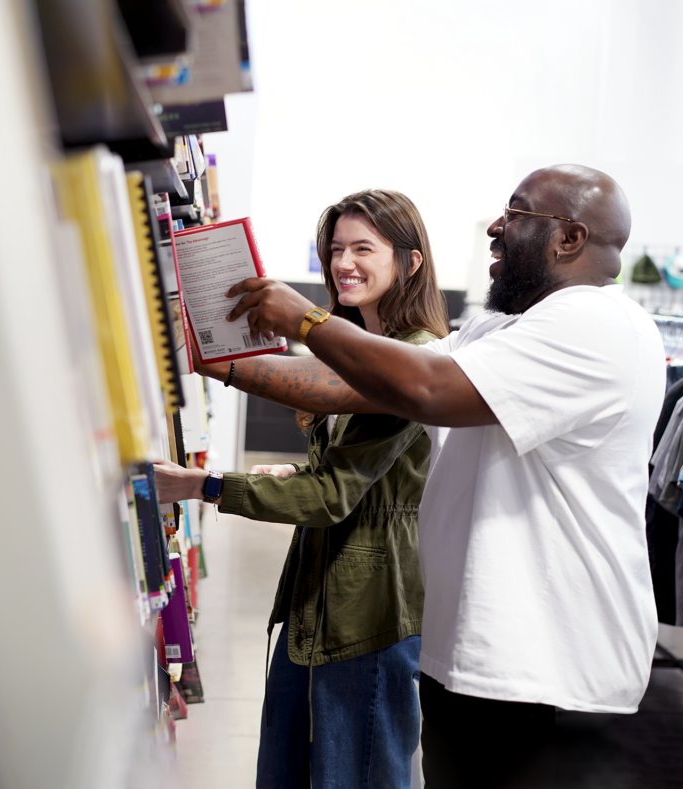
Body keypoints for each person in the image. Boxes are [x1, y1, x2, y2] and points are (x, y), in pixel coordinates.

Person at [197, 165, 666, 788]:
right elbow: (357, 387)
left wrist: (307, 322)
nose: (496, 228)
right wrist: (217, 361)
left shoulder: (597, 323)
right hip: (474, 658)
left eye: (516, 213)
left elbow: (425, 388)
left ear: (570, 238)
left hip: (545, 667)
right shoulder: (502, 328)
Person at [155, 189, 448, 789]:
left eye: (364, 248)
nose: (344, 264)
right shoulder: (356, 351)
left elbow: (331, 497)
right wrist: (291, 475)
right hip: (318, 597)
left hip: (370, 610)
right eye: (336, 249)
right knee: (292, 769)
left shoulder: (415, 357)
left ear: (410, 262)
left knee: (357, 775)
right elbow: (348, 477)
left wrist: (202, 484)